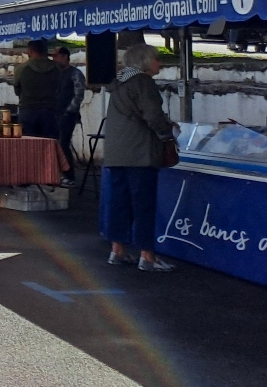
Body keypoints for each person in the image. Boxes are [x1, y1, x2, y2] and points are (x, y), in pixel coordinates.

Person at [101, 43, 177, 272]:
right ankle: (147, 256)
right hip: (140, 152)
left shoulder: (118, 83)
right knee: (143, 203)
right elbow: (153, 115)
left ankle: (117, 250)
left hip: (116, 152)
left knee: (119, 203)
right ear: (144, 62)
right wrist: (167, 134)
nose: (159, 63)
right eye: (156, 59)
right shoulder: (143, 82)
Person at [14, 39, 62, 139]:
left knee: (28, 146)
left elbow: (17, 90)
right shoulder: (57, 68)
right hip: (50, 112)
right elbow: (60, 88)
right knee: (49, 146)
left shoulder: (21, 68)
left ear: (30, 51)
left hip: (27, 111)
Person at [54, 45, 87, 186]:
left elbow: (79, 94)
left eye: (57, 56)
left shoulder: (75, 73)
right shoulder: (55, 73)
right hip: (54, 113)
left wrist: (69, 110)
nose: (54, 59)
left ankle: (69, 175)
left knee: (63, 143)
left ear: (65, 57)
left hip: (67, 114)